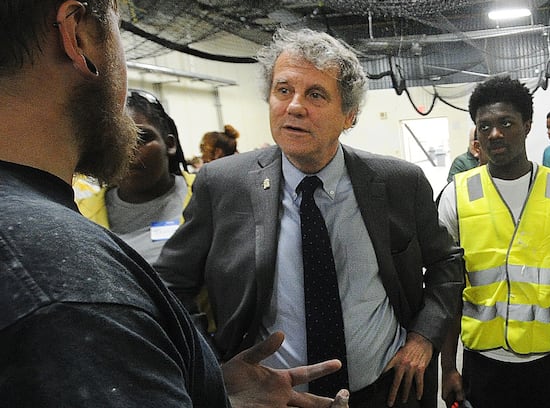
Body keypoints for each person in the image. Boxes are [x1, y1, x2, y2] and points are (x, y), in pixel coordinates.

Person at [0, 0, 349, 406]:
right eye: (118, 30)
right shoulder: (71, 289)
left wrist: (212, 388)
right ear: (79, 37)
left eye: (316, 95)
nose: (295, 107)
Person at [155, 27, 464, 407]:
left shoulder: (398, 183)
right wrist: (212, 364)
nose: (295, 107)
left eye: (315, 94)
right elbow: (169, 286)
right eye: (283, 90)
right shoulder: (222, 185)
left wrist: (423, 338)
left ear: (349, 115)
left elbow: (447, 263)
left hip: (385, 392)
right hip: (270, 401)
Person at [437, 76, 550, 408]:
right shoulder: (457, 194)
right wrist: (448, 364)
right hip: (483, 360)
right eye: (485, 126)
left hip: (549, 358)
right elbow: (449, 284)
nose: (495, 133)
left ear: (527, 125)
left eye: (506, 123)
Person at [78, 90, 195, 265]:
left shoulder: (206, 195)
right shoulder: (79, 213)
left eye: (141, 139)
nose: (128, 152)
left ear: (170, 144)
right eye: (114, 142)